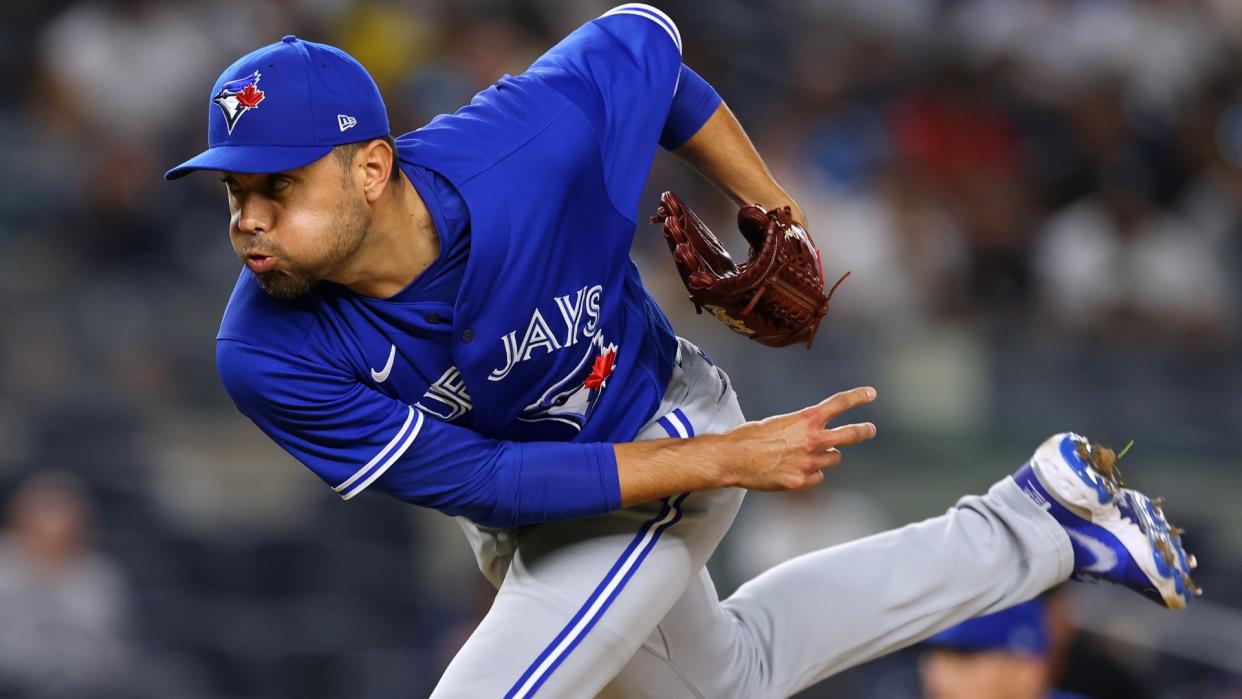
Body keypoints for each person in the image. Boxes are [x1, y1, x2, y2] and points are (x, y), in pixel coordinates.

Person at [164, 6, 1197, 697]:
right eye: (233, 194)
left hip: (660, 422)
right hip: (552, 492)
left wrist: (775, 211)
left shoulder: (518, 144)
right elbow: (484, 476)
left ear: (372, 169)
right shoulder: (264, 352)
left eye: (277, 187)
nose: (248, 220)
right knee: (736, 678)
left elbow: (644, 47)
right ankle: (1041, 525)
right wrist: (730, 463)